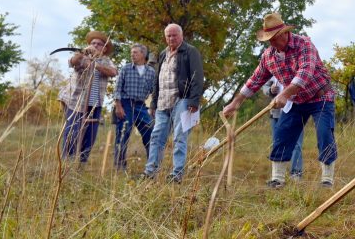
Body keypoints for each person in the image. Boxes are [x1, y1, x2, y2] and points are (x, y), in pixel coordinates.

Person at [223, 12, 338, 188]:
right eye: (268, 39)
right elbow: (255, 80)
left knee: (324, 134)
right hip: (296, 101)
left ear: (285, 33)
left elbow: (304, 73)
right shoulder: (268, 56)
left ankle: (327, 180)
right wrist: (236, 102)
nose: (272, 43)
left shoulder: (304, 44)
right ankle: (277, 179)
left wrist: (284, 94)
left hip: (320, 97)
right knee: (282, 135)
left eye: (274, 38)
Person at [141, 24, 204, 183]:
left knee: (180, 138)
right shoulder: (163, 54)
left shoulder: (191, 51)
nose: (171, 38)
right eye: (168, 36)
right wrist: (153, 103)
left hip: (182, 100)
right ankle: (150, 171)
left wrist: (194, 101)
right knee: (156, 137)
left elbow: (197, 78)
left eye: (174, 35)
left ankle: (176, 175)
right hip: (163, 102)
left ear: (181, 36)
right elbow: (157, 80)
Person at [59, 31, 117, 163]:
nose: (95, 45)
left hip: (95, 104)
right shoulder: (82, 57)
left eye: (99, 44)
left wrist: (95, 65)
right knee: (72, 133)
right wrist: (82, 53)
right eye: (93, 43)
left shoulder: (107, 61)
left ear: (104, 48)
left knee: (89, 136)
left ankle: (81, 163)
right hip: (77, 102)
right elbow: (72, 62)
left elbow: (113, 72)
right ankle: (67, 162)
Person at [112, 44, 156, 171]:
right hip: (126, 103)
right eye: (131, 52)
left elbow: (154, 91)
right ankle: (119, 166)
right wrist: (118, 106)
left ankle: (152, 164)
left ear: (143, 54)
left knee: (150, 131)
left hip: (141, 105)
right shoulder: (126, 69)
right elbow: (117, 89)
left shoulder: (151, 72)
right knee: (123, 133)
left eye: (135, 52)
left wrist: (153, 107)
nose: (132, 54)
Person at [263, 77, 304, 180]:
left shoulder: (299, 66)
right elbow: (264, 86)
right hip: (276, 112)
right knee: (277, 143)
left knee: (296, 144)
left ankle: (296, 173)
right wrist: (270, 90)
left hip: (296, 111)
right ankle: (277, 175)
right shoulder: (273, 69)